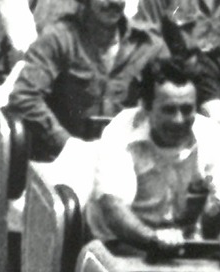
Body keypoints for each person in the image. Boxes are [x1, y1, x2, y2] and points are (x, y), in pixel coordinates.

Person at [86, 56, 220, 252]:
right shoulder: (119, 132)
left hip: (181, 245)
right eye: (169, 110)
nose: (179, 120)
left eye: (187, 110)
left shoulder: (212, 135)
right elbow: (114, 209)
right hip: (116, 245)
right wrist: (153, 239)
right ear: (146, 107)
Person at [9, 0, 164, 164]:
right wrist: (67, 144)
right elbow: (24, 96)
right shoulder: (59, 39)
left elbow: (171, 96)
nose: (113, 2)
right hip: (59, 162)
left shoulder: (147, 44)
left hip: (123, 163)